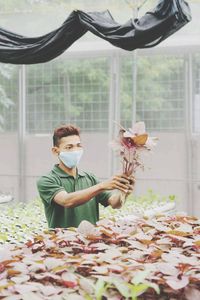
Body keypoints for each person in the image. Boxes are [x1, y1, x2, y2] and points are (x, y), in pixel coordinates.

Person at [37, 124, 135, 228]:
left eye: (78, 145)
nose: (75, 150)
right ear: (55, 151)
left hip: (90, 242)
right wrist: (102, 186)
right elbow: (67, 201)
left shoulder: (89, 178)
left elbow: (115, 203)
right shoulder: (47, 180)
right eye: (69, 147)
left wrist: (123, 191)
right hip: (62, 242)